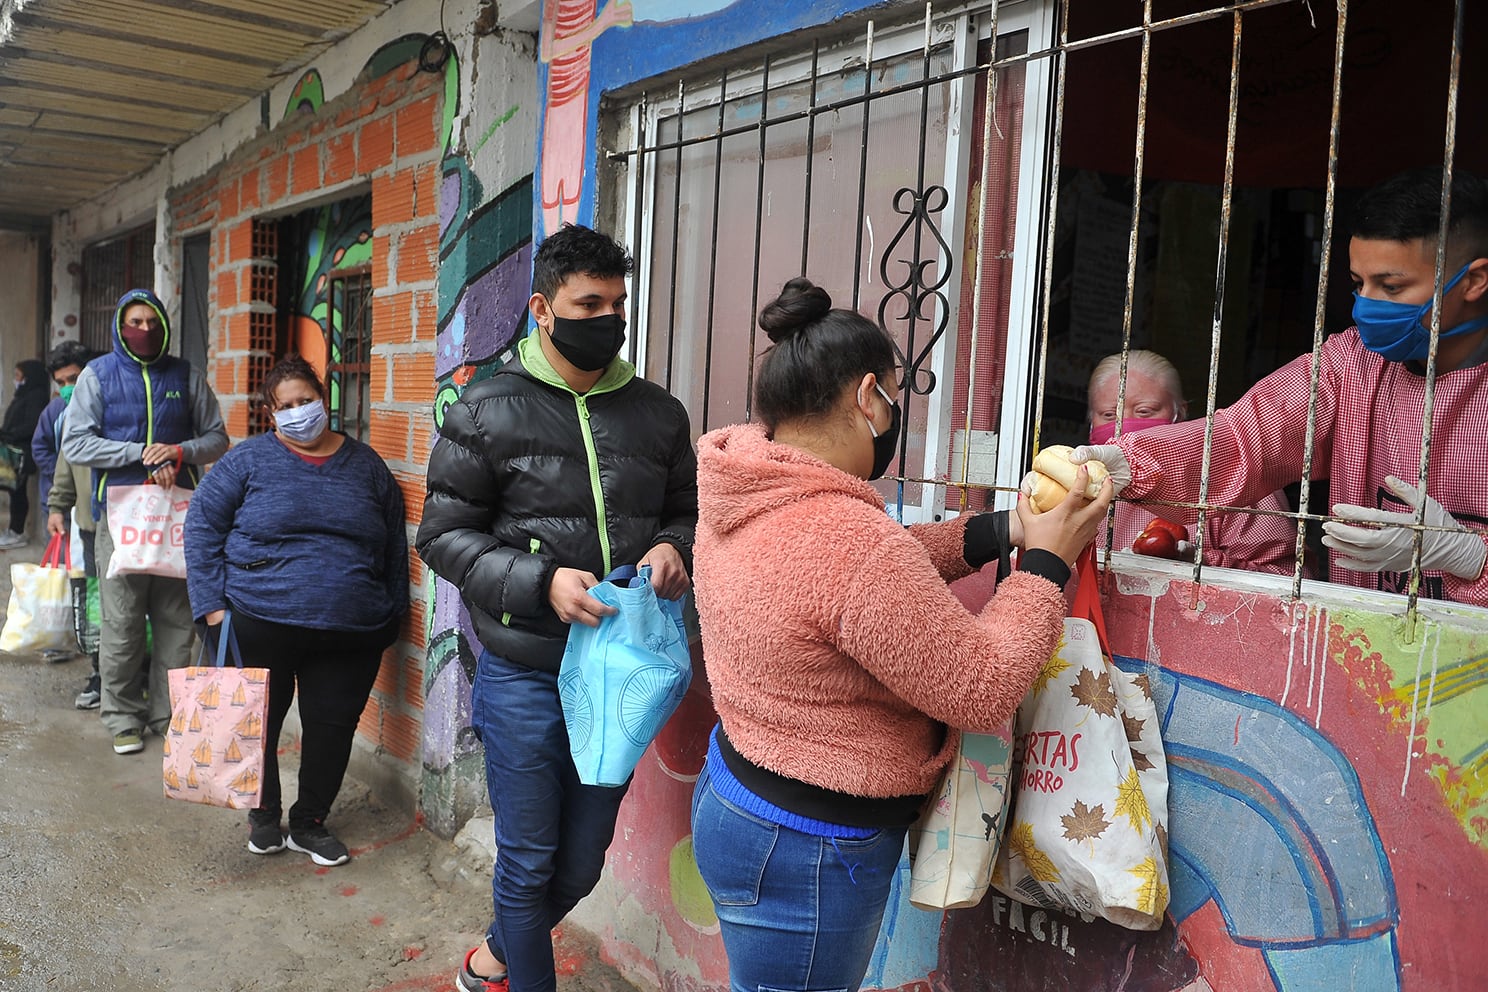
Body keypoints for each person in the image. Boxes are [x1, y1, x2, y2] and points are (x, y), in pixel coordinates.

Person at [688, 277, 1112, 992]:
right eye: (893, 396)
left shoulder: (744, 486)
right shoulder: (848, 541)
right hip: (809, 848)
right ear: (866, 398)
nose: (895, 417)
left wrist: (1000, 531)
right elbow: (981, 688)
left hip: (738, 800)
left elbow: (850, 583)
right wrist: (1047, 563)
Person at [417, 224, 697, 992]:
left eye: (617, 303)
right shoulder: (484, 410)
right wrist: (542, 584)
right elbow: (441, 537)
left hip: (618, 674)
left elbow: (685, 511)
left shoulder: (658, 415)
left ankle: (491, 960)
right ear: (543, 308)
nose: (607, 318)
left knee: (580, 862)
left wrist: (676, 546)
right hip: (525, 672)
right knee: (531, 858)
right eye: (588, 303)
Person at [1074, 166, 1488, 605]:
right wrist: (1131, 463)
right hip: (1366, 646)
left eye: (1390, 286)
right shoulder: (1350, 365)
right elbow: (1246, 437)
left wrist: (1471, 558)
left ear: (1474, 281)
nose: (1367, 306)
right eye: (1358, 284)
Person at [184, 356, 407, 867]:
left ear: (322, 398)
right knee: (255, 722)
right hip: (258, 623)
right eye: (286, 406)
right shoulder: (246, 463)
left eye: (306, 401)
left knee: (331, 728)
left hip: (351, 630)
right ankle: (264, 816)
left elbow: (394, 545)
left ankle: (310, 822)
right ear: (270, 414)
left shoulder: (367, 465)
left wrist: (389, 615)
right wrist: (211, 610)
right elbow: (202, 528)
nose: (298, 412)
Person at [61, 288, 228, 756]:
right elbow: (76, 443)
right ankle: (122, 717)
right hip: (120, 520)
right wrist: (140, 453)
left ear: (163, 324)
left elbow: (217, 438)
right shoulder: (99, 376)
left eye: (152, 321)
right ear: (120, 326)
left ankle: (167, 715)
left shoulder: (185, 375)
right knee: (124, 623)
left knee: (178, 623)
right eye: (136, 321)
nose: (145, 330)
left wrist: (178, 451)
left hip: (178, 518)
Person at [1086, 349, 1298, 574]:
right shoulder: (1081, 482)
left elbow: (1288, 579)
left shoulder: (1240, 473)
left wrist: (1201, 563)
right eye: (1109, 415)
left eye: (1144, 411)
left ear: (1180, 412)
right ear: (1090, 420)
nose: (1124, 426)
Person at [35, 341, 102, 703]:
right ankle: (98, 674)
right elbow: (61, 459)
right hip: (88, 526)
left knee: (132, 609)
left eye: (73, 378)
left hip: (128, 525)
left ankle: (135, 675)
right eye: (61, 381)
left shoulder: (113, 405)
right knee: (93, 602)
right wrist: (58, 505)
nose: (68, 387)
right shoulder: (63, 412)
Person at [0, 359, 52, 548]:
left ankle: (17, 532)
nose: (16, 380)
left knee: (18, 492)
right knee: (14, 490)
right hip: (13, 451)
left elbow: (31, 426)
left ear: (29, 377)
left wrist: (8, 434)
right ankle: (13, 530)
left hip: (23, 454)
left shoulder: (36, 396)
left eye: (19, 376)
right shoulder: (22, 394)